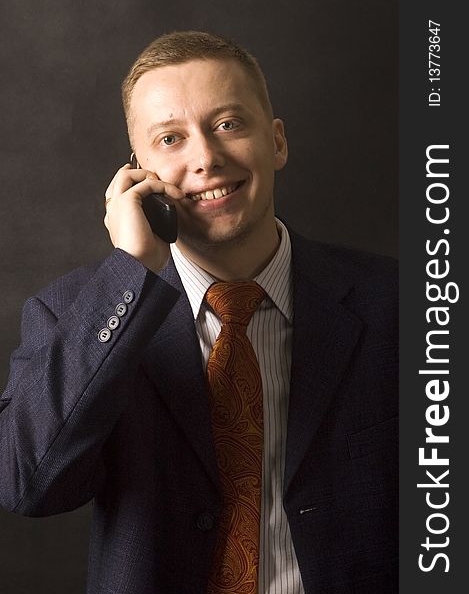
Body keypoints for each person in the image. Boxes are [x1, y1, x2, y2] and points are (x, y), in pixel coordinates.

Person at [0, 31, 398, 593]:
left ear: (277, 141)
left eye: (229, 124)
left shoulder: (403, 305)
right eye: (170, 138)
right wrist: (132, 267)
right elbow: (29, 484)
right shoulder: (75, 314)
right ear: (137, 171)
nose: (205, 158)